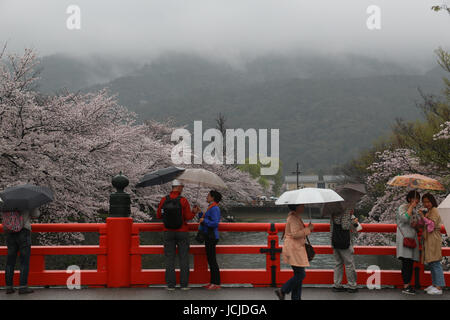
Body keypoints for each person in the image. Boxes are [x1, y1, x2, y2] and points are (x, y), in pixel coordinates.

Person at [156, 180, 195, 290]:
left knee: (169, 258)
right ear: (178, 187)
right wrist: (194, 212)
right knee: (184, 258)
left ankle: (170, 285)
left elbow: (159, 215)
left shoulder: (164, 199)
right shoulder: (183, 200)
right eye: (182, 186)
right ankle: (184, 285)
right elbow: (188, 217)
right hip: (182, 232)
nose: (183, 188)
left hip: (168, 232)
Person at [275, 204, 314, 300]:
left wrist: (307, 229)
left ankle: (296, 297)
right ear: (296, 207)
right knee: (301, 274)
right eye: (302, 205)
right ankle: (283, 290)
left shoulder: (294, 217)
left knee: (298, 275)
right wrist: (308, 229)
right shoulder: (293, 218)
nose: (304, 206)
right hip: (294, 249)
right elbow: (295, 234)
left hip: (295, 248)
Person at [4, 207, 40, 294]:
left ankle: (9, 287)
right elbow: (36, 214)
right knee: (24, 261)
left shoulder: (5, 200)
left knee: (10, 262)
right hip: (23, 231)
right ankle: (23, 287)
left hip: (9, 231)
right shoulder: (26, 200)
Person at [193, 190, 222, 290]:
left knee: (212, 261)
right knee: (211, 260)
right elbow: (206, 219)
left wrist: (203, 220)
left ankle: (216, 283)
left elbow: (214, 223)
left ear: (213, 197)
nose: (207, 196)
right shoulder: (211, 207)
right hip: (209, 236)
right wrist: (200, 213)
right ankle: (213, 282)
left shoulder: (215, 208)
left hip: (211, 236)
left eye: (208, 195)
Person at [417, 193, 445, 295]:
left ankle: (439, 287)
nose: (426, 204)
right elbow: (423, 224)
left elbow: (431, 226)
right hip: (429, 239)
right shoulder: (429, 211)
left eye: (428, 201)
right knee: (432, 262)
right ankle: (434, 284)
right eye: (424, 202)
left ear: (432, 201)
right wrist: (421, 218)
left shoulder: (435, 210)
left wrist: (422, 216)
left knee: (435, 262)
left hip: (434, 237)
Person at [330, 203, 359, 293]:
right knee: (349, 264)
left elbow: (332, 226)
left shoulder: (333, 210)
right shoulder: (346, 209)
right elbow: (345, 226)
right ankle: (352, 285)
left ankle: (337, 285)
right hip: (344, 241)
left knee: (338, 263)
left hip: (335, 240)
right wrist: (354, 222)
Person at [396, 190, 420, 295]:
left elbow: (417, 225)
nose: (417, 201)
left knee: (410, 263)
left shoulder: (415, 210)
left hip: (412, 239)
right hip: (404, 238)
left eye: (418, 199)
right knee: (406, 262)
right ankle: (406, 286)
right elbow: (405, 219)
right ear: (410, 199)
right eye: (415, 198)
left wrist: (417, 224)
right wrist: (410, 207)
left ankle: (408, 285)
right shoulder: (402, 207)